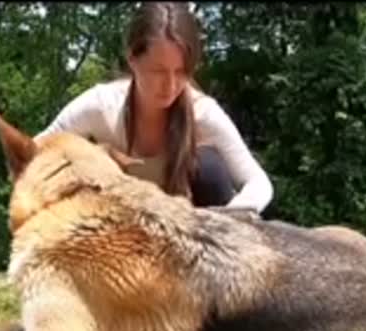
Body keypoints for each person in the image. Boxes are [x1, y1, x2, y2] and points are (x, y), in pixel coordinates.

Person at [34, 2, 273, 214]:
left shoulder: (203, 114)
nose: (170, 85)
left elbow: (258, 182)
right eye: (158, 71)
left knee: (209, 167)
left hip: (186, 238)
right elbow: (34, 153)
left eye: (181, 72)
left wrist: (233, 217)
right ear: (132, 59)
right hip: (117, 232)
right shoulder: (100, 107)